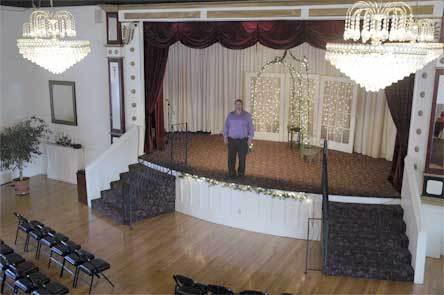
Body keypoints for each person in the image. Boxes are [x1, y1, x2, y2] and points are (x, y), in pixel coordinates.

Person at [223, 99, 254, 178]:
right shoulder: (230, 115)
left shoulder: (247, 115)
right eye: (236, 104)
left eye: (239, 104)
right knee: (231, 158)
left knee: (242, 158)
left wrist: (250, 139)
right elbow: (226, 126)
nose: (238, 106)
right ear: (235, 105)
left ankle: (241, 174)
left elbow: (251, 128)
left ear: (242, 105)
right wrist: (225, 137)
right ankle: (231, 173)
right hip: (231, 140)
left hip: (243, 140)